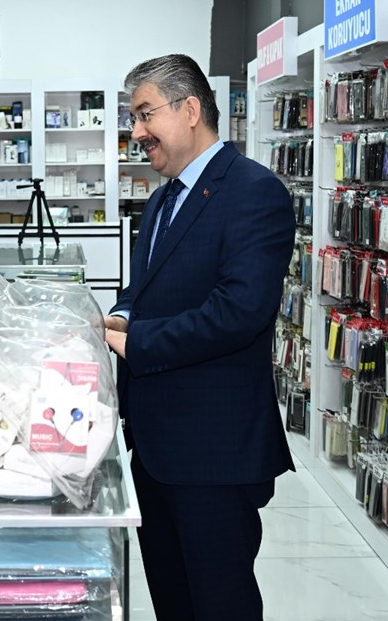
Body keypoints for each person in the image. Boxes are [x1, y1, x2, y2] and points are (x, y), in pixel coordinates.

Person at [104, 54, 295, 621]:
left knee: (219, 602)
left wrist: (137, 343)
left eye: (145, 114)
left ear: (189, 110)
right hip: (154, 448)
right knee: (173, 599)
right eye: (133, 118)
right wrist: (120, 316)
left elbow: (239, 311)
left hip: (214, 454)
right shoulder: (163, 197)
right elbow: (143, 288)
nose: (137, 132)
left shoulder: (254, 191)